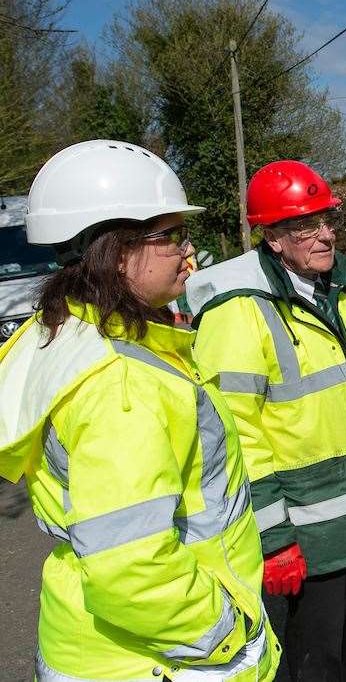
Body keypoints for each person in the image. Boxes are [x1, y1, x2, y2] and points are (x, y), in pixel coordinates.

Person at [0, 140, 279, 681]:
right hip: (161, 660)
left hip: (104, 649)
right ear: (117, 250)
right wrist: (228, 632)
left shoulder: (68, 335)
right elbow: (132, 568)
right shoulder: (119, 383)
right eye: (171, 236)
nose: (188, 254)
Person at [185, 160, 346, 681]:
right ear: (272, 238)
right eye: (304, 226)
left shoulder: (334, 292)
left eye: (326, 220)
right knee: (315, 664)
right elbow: (232, 436)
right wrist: (274, 538)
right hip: (304, 534)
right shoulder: (237, 313)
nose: (325, 235)